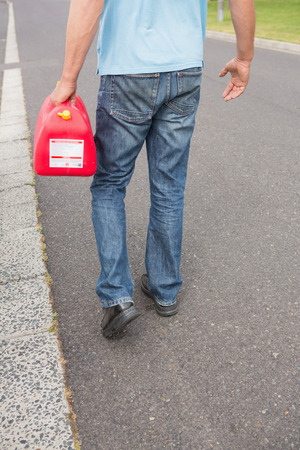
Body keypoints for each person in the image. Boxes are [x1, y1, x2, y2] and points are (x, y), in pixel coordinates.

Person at [51, 0, 255, 338]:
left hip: (128, 68)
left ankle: (117, 296)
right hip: (185, 69)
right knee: (169, 184)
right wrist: (244, 57)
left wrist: (67, 79)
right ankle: (165, 289)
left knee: (110, 185)